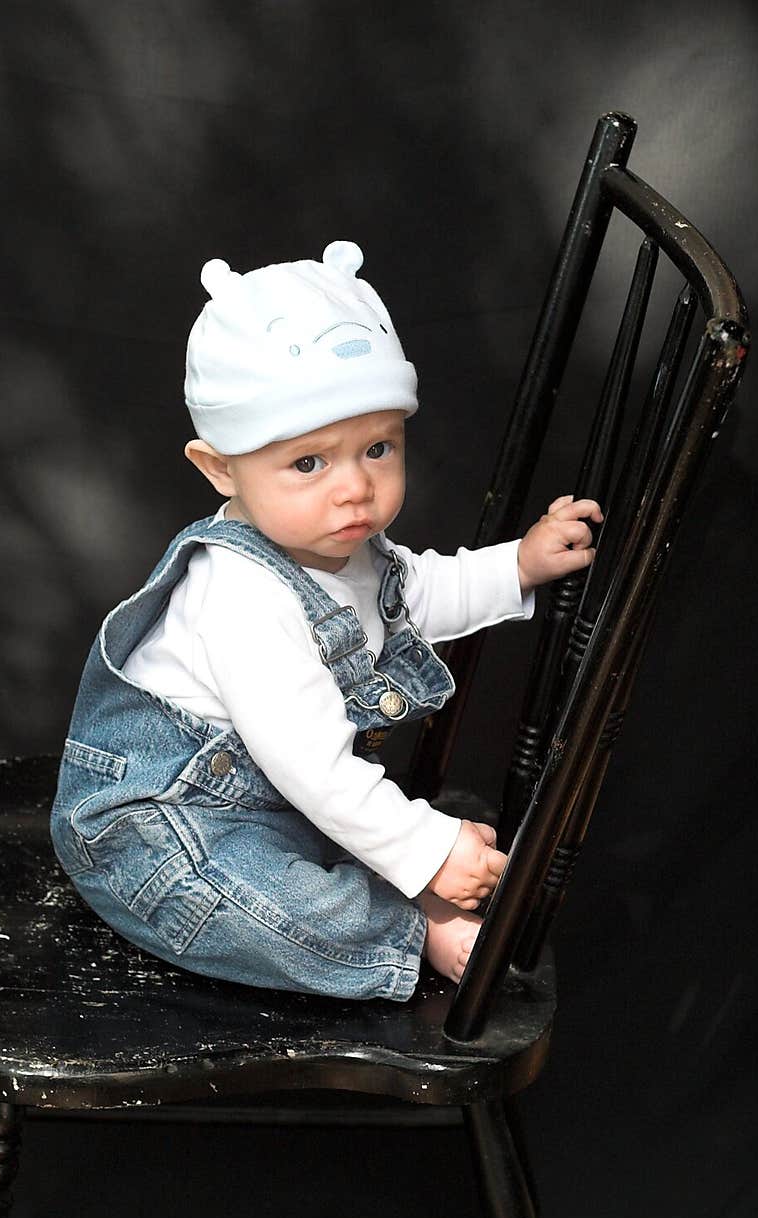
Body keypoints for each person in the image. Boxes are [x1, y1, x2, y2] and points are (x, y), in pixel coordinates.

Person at [50, 240, 601, 1003]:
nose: (354, 489)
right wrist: (427, 846)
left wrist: (518, 564)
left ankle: (399, 881)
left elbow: (424, 591)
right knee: (249, 904)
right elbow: (314, 767)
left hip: (272, 803)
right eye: (309, 463)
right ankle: (413, 928)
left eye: (377, 448)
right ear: (220, 468)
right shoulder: (239, 596)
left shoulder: (345, 548)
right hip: (157, 831)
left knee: (338, 836)